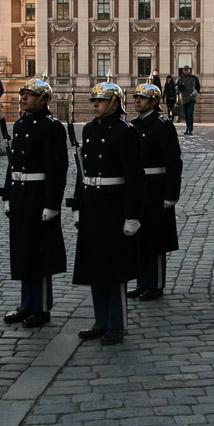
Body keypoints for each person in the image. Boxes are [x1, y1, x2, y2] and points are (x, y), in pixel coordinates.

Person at [70, 75, 144, 345]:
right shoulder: (89, 130)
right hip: (93, 204)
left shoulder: (125, 132)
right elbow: (83, 172)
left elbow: (135, 178)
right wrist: (78, 204)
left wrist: (133, 215)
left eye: (100, 101)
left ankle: (116, 322)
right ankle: (100, 320)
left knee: (114, 269)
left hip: (114, 206)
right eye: (94, 100)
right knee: (95, 266)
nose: (95, 104)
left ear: (114, 104)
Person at [1, 76, 68, 328]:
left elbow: (57, 169)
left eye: (29, 95)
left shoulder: (51, 126)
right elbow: (13, 162)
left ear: (43, 100)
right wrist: (7, 194)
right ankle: (26, 303)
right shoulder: (21, 124)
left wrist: (52, 204)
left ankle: (41, 306)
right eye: (23, 94)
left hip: (38, 196)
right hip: (20, 193)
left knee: (39, 253)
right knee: (23, 251)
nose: (23, 98)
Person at [127, 77, 182, 302]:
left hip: (156, 188)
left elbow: (173, 162)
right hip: (139, 188)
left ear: (154, 101)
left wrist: (171, 194)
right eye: (136, 97)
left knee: (156, 239)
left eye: (142, 98)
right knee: (140, 238)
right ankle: (142, 282)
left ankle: (155, 284)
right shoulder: (133, 124)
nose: (137, 101)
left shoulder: (162, 125)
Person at [176, 65, 200, 135]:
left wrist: (193, 94)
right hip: (184, 99)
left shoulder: (194, 78)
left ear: (189, 70)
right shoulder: (181, 79)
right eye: (184, 70)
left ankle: (190, 129)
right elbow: (176, 87)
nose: (186, 71)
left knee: (190, 114)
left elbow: (198, 87)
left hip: (191, 99)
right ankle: (187, 128)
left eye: (187, 69)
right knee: (186, 115)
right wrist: (179, 87)